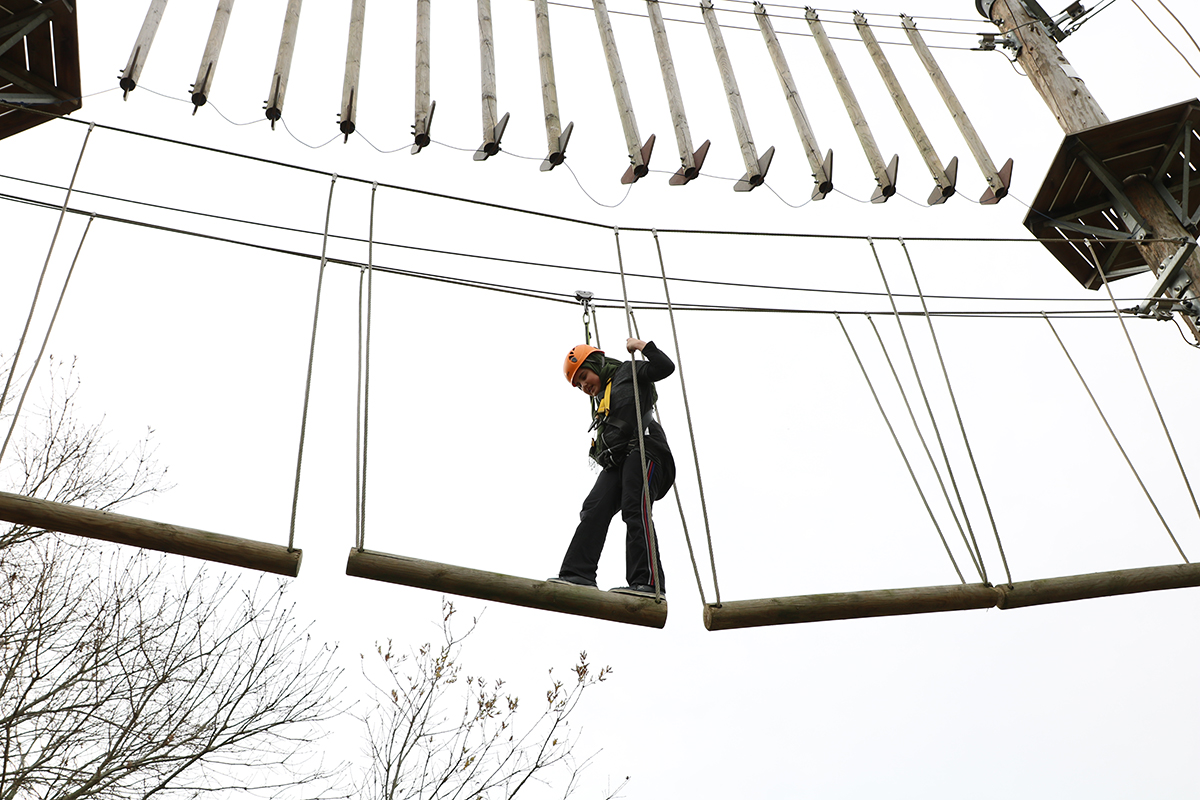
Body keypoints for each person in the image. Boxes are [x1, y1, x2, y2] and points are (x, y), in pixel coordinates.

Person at [551, 337, 675, 598]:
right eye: (579, 385)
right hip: (622, 457)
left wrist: (642, 347)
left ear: (596, 363)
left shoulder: (628, 371)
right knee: (594, 506)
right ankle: (577, 573)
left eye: (584, 376)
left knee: (634, 508)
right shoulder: (603, 401)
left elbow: (666, 367)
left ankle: (648, 582)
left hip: (646, 447)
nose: (584, 386)